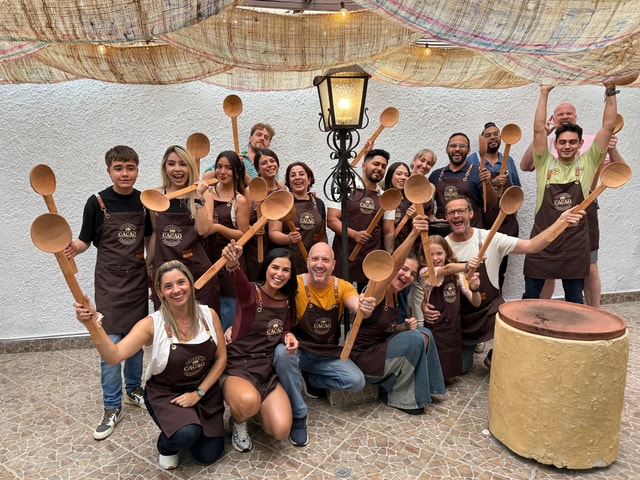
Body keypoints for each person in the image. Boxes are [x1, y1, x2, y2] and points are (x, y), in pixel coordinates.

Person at [73, 260, 226, 470]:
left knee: (207, 455)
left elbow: (221, 359)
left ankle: (191, 427)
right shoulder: (152, 324)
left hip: (203, 392)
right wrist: (93, 325)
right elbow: (113, 356)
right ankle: (167, 446)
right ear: (160, 292)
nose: (176, 290)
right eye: (168, 286)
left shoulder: (209, 315)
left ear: (190, 284)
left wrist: (199, 393)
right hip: (168, 394)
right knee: (186, 434)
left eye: (181, 282)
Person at [424, 196, 585, 372]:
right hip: (460, 317)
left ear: (471, 213)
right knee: (460, 368)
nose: (456, 215)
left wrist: (560, 223)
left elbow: (532, 246)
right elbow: (429, 281)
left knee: (519, 334)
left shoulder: (489, 237)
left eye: (461, 211)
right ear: (446, 217)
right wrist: (424, 305)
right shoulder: (443, 247)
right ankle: (472, 346)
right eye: (451, 212)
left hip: (489, 310)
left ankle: (494, 354)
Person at [64, 145, 151, 440]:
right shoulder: (97, 202)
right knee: (109, 343)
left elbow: (149, 243)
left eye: (130, 168)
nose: (125, 173)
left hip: (137, 281)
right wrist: (69, 248)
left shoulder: (144, 202)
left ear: (137, 169)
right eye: (118, 168)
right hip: (109, 285)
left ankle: (134, 389)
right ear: (109, 171)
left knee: (136, 341)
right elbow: (84, 241)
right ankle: (112, 406)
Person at [520, 102, 626, 307]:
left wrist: (610, 91)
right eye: (562, 142)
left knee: (575, 300)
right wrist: (543, 92)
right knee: (531, 296)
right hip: (544, 238)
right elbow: (537, 130)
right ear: (555, 143)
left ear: (580, 144)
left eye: (572, 142)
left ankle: (584, 323)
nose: (567, 146)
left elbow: (608, 126)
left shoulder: (587, 162)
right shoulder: (544, 162)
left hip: (575, 242)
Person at [272, 242, 376, 447]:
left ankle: (313, 379)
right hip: (299, 349)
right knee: (281, 353)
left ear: (333, 265)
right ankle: (298, 414)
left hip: (326, 353)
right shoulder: (294, 284)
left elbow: (356, 303)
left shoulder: (342, 286)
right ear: (307, 262)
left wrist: (364, 306)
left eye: (325, 260)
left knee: (356, 381)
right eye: (315, 259)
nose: (319, 264)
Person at [348, 215, 445, 415]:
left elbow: (386, 328)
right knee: (414, 339)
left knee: (424, 333)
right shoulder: (376, 290)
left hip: (381, 349)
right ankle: (402, 398)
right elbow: (392, 266)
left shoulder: (398, 295)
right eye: (404, 269)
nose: (407, 276)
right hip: (364, 359)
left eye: (412, 274)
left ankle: (428, 388)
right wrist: (414, 233)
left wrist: (403, 327)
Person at [220, 244, 299, 453]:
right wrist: (233, 263)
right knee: (248, 401)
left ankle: (253, 408)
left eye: (286, 270)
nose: (279, 274)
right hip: (238, 367)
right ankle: (239, 420)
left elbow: (283, 328)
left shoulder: (287, 300)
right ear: (266, 268)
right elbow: (239, 280)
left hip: (265, 371)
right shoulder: (251, 293)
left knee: (281, 430)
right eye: (275, 267)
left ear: (291, 274)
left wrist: (288, 335)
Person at [148, 145, 220, 312]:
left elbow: (203, 230)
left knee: (202, 322)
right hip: (165, 272)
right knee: (168, 323)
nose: (177, 169)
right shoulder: (156, 196)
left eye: (183, 164)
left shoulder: (204, 194)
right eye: (171, 164)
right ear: (165, 168)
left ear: (190, 167)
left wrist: (199, 197)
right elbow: (155, 233)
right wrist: (148, 266)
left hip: (196, 272)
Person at [327, 148, 394, 291]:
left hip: (371, 260)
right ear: (364, 165)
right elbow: (332, 220)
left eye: (383, 166)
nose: (379, 168)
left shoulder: (386, 198)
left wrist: (388, 258)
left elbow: (389, 232)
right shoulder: (344, 189)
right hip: (344, 256)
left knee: (367, 302)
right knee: (340, 299)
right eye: (376, 164)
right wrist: (354, 234)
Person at [197, 150, 250, 330]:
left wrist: (218, 228)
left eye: (228, 168)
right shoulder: (207, 194)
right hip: (206, 258)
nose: (222, 171)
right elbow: (203, 228)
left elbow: (243, 234)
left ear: (236, 171)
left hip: (230, 261)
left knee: (229, 311)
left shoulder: (240, 200)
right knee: (206, 309)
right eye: (219, 167)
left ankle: (228, 346)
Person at [467, 122, 522, 292]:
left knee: (501, 267)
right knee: (481, 265)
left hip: (504, 222)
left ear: (501, 138)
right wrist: (492, 183)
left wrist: (512, 211)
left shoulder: (508, 160)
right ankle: (480, 299)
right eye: (488, 135)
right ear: (482, 139)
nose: (492, 137)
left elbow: (516, 189)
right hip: (481, 222)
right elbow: (470, 192)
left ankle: (497, 297)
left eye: (496, 134)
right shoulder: (472, 160)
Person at [418, 235, 481, 383]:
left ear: (447, 253)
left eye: (439, 253)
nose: (435, 258)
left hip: (453, 326)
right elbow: (446, 269)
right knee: (434, 371)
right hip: (435, 325)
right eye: (430, 254)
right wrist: (468, 265)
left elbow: (476, 302)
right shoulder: (426, 272)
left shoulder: (458, 274)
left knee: (450, 376)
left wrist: (475, 289)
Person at [269, 161, 328, 274]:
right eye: (293, 175)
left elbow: (322, 236)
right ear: (288, 182)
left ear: (309, 180)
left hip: (313, 263)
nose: (297, 178)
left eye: (301, 174)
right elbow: (273, 233)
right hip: (286, 263)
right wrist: (288, 238)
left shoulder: (318, 203)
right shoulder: (281, 202)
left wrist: (323, 257)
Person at [429, 133, 497, 228]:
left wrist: (488, 182)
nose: (457, 149)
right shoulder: (435, 175)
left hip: (471, 230)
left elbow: (491, 203)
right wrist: (431, 217)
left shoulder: (478, 172)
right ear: (446, 150)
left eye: (462, 146)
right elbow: (427, 206)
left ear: (468, 150)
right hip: (443, 232)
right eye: (453, 145)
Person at [243, 148, 286, 281]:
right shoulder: (250, 190)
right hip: (256, 248)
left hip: (279, 247)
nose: (269, 165)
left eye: (272, 161)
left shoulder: (282, 188)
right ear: (258, 169)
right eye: (264, 163)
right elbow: (242, 223)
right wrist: (253, 229)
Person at [203, 122, 276, 187]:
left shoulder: (270, 165)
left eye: (266, 137)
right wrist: (230, 165)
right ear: (250, 138)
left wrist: (245, 175)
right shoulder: (234, 157)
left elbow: (271, 191)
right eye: (259, 135)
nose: (262, 138)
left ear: (269, 144)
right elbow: (204, 179)